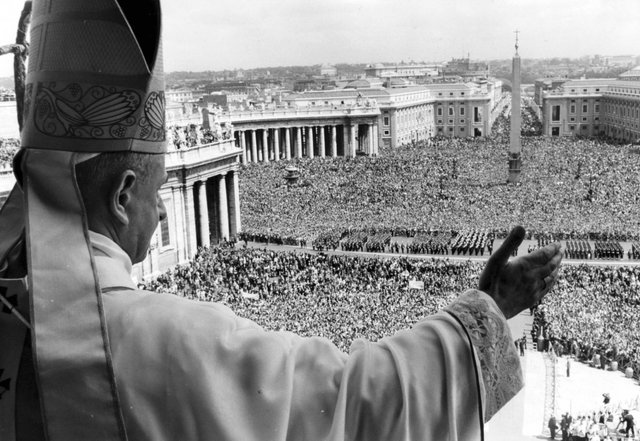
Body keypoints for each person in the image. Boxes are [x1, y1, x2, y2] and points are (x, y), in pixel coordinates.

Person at [0, 1, 563, 440]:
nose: (166, 205)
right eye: (156, 191)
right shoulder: (161, 343)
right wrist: (488, 311)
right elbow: (355, 408)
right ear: (123, 196)